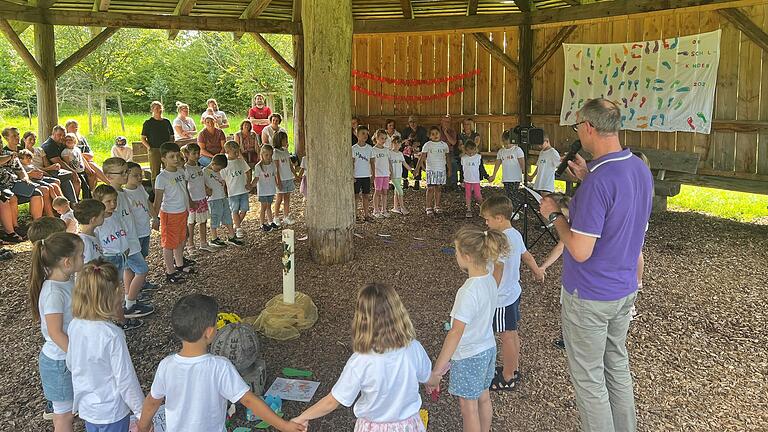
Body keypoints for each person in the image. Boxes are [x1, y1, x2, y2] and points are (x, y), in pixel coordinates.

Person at [539, 98, 653, 432]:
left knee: (589, 382)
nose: (578, 134)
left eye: (578, 127)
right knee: (616, 368)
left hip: (590, 296)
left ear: (589, 128)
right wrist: (587, 178)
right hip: (624, 290)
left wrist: (554, 216)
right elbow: (619, 206)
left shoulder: (598, 184)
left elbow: (579, 249)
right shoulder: (637, 168)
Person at [138, 294, 306, 432]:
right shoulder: (220, 366)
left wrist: (143, 427)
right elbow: (249, 401)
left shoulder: (166, 365)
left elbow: (153, 401)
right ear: (210, 332)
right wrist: (284, 426)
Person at [295, 283, 431, 431]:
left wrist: (303, 417)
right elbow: (428, 378)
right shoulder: (413, 348)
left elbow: (332, 402)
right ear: (398, 313)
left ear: (362, 319)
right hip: (409, 427)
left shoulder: (360, 361)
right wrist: (435, 380)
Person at [425, 226, 510, 432]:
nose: (455, 255)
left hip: (469, 356)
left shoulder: (468, 292)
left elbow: (455, 333)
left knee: (468, 408)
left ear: (467, 256)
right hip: (488, 349)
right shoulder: (489, 279)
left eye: (456, 251)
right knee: (483, 398)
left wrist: (437, 369)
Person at [67, 260, 145, 431]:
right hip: (112, 411)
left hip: (88, 408)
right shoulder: (112, 335)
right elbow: (125, 379)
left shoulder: (74, 325)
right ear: (114, 294)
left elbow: (71, 363)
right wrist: (142, 413)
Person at [480, 196, 543, 392]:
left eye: (488, 219)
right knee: (512, 333)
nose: (486, 223)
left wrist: (490, 293)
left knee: (506, 336)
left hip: (501, 298)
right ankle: (512, 368)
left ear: (499, 218)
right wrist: (537, 271)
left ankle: (507, 377)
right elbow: (526, 255)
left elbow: (498, 269)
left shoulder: (501, 240)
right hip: (513, 292)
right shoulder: (515, 234)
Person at [29, 231, 84, 432]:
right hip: (59, 361)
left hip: (67, 356)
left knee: (70, 412)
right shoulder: (53, 292)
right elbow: (55, 332)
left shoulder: (66, 280)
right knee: (63, 417)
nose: (84, 259)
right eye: (81, 255)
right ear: (67, 262)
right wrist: (79, 356)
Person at [93, 184, 153, 332]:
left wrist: (126, 249)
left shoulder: (116, 215)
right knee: (113, 291)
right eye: (108, 202)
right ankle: (120, 319)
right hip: (110, 259)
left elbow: (122, 232)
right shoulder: (97, 223)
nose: (113, 204)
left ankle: (124, 310)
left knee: (117, 289)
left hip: (123, 255)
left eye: (114, 200)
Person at [101, 158, 155, 317]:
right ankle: (130, 304)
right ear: (109, 176)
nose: (126, 174)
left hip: (131, 241)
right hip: (124, 245)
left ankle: (130, 299)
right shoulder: (111, 197)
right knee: (142, 270)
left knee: (130, 270)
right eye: (122, 172)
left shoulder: (122, 193)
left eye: (126, 171)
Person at [153, 143, 195, 284]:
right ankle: (170, 272)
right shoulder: (162, 177)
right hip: (170, 214)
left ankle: (180, 264)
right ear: (163, 159)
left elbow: (185, 189)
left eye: (177, 155)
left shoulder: (180, 171)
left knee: (181, 239)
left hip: (182, 211)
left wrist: (190, 201)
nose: (176, 159)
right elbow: (158, 199)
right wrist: (155, 217)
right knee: (169, 243)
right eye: (172, 157)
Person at [1, 134, 45, 221]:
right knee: (11, 197)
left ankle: (37, 223)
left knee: (37, 192)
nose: (0, 145)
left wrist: (25, 178)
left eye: (0, 142)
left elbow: (20, 170)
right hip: (3, 186)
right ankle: (14, 228)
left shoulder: (8, 153)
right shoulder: (10, 155)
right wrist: (10, 157)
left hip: (13, 183)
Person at [203, 154, 243, 247]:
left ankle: (232, 235)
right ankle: (214, 238)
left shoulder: (218, 172)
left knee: (227, 215)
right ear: (213, 163)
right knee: (215, 217)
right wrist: (207, 189)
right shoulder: (205, 171)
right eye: (218, 168)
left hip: (222, 197)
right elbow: (202, 183)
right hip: (213, 199)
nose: (219, 170)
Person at [182, 143, 213, 254]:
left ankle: (203, 243)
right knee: (192, 222)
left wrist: (206, 188)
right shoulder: (186, 169)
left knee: (203, 220)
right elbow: (185, 186)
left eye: (197, 153)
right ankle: (190, 245)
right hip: (193, 199)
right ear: (187, 154)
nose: (196, 155)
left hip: (202, 198)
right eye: (193, 153)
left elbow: (201, 181)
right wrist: (189, 200)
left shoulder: (198, 166)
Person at [64, 119, 109, 191]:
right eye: (72, 126)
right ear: (67, 128)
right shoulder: (67, 140)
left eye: (76, 126)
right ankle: (109, 182)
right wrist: (81, 156)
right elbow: (71, 154)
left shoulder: (81, 139)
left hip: (85, 161)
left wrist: (82, 155)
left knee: (92, 172)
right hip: (76, 163)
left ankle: (92, 192)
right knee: (91, 166)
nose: (75, 128)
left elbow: (91, 155)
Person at [40, 125, 81, 203]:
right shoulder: (49, 145)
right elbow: (58, 161)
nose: (62, 137)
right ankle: (73, 203)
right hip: (50, 170)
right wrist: (72, 171)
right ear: (53, 134)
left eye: (63, 135)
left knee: (77, 177)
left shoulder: (60, 143)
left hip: (59, 168)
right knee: (68, 176)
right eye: (59, 135)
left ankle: (75, 201)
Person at [220, 141, 252, 239]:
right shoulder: (225, 165)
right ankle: (238, 228)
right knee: (235, 210)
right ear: (227, 151)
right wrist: (223, 191)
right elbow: (222, 179)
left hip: (243, 190)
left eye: (238, 152)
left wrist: (248, 182)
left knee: (244, 209)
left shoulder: (241, 161)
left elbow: (248, 171)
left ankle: (236, 225)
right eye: (235, 152)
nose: (237, 154)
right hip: (233, 192)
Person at [415, 126, 450, 215]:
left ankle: (437, 205)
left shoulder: (444, 145)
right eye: (433, 134)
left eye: (437, 133)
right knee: (430, 188)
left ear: (440, 134)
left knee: (438, 188)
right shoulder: (428, 145)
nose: (435, 135)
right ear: (430, 136)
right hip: (431, 170)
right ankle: (428, 207)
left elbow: (447, 157)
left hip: (441, 169)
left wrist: (449, 169)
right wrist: (416, 169)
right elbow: (422, 157)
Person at [490, 130, 525, 206]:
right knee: (508, 196)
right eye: (505, 143)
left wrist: (525, 173)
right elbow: (498, 163)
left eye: (508, 143)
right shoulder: (501, 151)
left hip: (515, 178)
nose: (506, 145)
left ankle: (515, 211)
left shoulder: (517, 150)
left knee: (513, 196)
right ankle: (510, 211)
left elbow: (522, 162)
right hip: (506, 178)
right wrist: (494, 175)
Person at [141, 101, 174, 181]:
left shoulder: (166, 122)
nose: (159, 110)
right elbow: (143, 138)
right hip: (154, 150)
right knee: (155, 173)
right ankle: (156, 191)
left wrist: (170, 146)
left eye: (160, 108)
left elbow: (172, 136)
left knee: (169, 171)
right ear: (152, 110)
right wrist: (149, 148)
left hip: (166, 150)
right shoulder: (148, 123)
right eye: (156, 108)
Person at [252, 145, 279, 232]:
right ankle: (262, 223)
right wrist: (251, 185)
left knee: (269, 206)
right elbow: (256, 178)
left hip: (270, 189)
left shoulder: (273, 165)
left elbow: (275, 175)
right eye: (266, 155)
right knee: (263, 206)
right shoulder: (258, 166)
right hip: (263, 190)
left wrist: (277, 184)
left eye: (270, 155)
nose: (268, 157)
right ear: (262, 154)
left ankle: (270, 222)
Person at [272, 131, 296, 226]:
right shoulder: (275, 152)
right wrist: (278, 181)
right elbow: (276, 168)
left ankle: (286, 216)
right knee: (279, 198)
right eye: (284, 139)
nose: (286, 141)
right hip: (281, 179)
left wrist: (295, 174)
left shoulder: (285, 151)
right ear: (279, 140)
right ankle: (276, 217)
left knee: (287, 198)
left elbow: (290, 165)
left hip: (288, 178)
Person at [352, 125, 375, 222]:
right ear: (357, 134)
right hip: (356, 176)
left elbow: (372, 162)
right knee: (356, 196)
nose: (365, 135)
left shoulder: (370, 148)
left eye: (367, 133)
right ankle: (355, 215)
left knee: (366, 196)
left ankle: (366, 215)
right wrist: (351, 175)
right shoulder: (353, 148)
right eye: (363, 133)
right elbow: (351, 163)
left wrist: (373, 174)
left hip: (366, 175)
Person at [72, 199, 106, 264]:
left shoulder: (94, 234)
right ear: (93, 220)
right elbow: (85, 265)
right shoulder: (84, 241)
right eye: (102, 215)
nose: (104, 217)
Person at [401, 115, 428, 190]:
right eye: (410, 122)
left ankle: (417, 181)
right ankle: (405, 180)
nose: (412, 123)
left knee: (417, 159)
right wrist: (406, 142)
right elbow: (401, 142)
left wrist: (419, 144)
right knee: (404, 159)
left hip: (418, 151)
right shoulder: (406, 131)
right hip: (408, 151)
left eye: (414, 121)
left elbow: (426, 142)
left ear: (418, 122)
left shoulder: (422, 130)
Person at [389, 137, 413, 215]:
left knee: (396, 191)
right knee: (400, 191)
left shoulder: (400, 154)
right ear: (392, 143)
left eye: (398, 143)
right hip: (393, 176)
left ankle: (395, 207)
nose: (397, 145)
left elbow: (404, 163)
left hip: (399, 175)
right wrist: (391, 173)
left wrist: (411, 170)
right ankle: (402, 207)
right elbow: (389, 164)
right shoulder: (390, 153)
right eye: (395, 143)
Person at [371, 129, 391, 218]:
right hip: (378, 174)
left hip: (385, 174)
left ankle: (384, 209)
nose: (383, 140)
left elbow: (389, 162)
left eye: (385, 139)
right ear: (377, 138)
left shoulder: (387, 150)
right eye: (382, 138)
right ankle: (376, 210)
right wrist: (372, 174)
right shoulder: (373, 150)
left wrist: (391, 172)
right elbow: (371, 163)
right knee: (377, 191)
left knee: (385, 192)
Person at [61, 133, 89, 198]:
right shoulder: (65, 152)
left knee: (86, 187)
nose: (69, 141)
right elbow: (67, 163)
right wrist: (73, 172)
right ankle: (80, 199)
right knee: (84, 186)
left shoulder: (77, 149)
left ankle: (87, 199)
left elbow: (81, 158)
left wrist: (88, 168)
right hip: (75, 172)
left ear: (74, 141)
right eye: (67, 140)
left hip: (81, 170)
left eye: (71, 139)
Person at [460, 141, 483, 218]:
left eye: (472, 152)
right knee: (468, 195)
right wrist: (461, 180)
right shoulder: (463, 158)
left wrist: (486, 176)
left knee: (478, 195)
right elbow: (461, 170)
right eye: (468, 152)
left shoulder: (478, 157)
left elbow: (481, 168)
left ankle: (482, 208)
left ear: (475, 149)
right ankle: (469, 209)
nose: (470, 154)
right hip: (467, 180)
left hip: (475, 180)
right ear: (465, 150)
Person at [439, 116, 459, 188]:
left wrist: (446, 133)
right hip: (439, 152)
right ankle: (443, 183)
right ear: (441, 122)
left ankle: (453, 183)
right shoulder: (437, 131)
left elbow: (453, 143)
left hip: (449, 152)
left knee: (452, 162)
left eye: (448, 122)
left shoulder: (452, 131)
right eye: (445, 122)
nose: (446, 123)